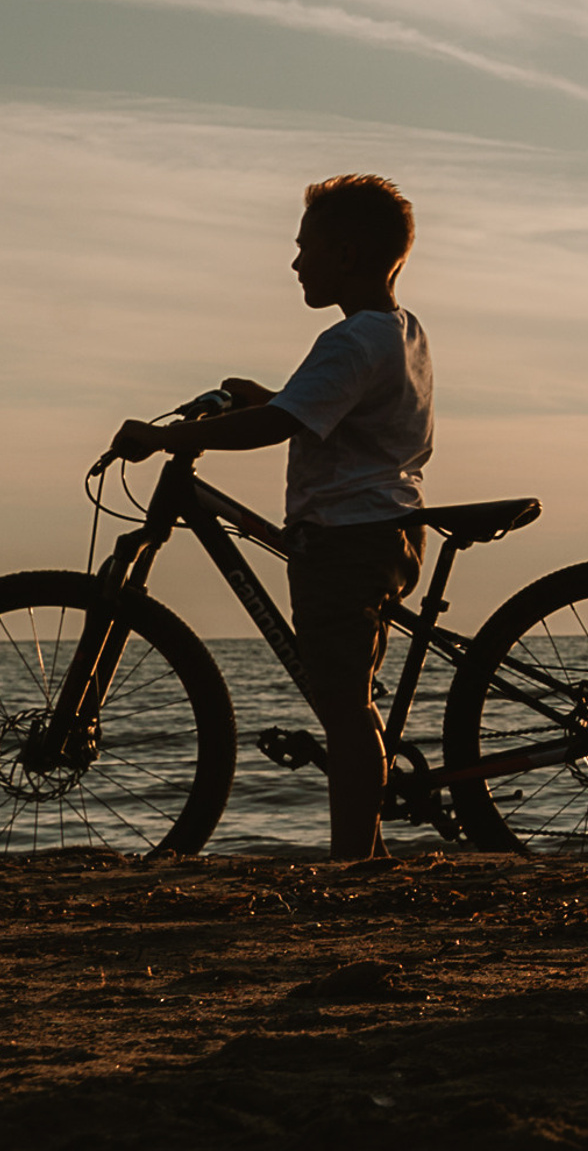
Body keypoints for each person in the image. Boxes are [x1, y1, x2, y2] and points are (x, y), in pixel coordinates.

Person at [114, 174, 434, 862]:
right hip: (390, 529)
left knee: (343, 708)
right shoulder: (399, 331)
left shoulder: (349, 340)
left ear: (345, 255)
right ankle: (367, 852)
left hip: (345, 539)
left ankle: (354, 864)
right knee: (349, 698)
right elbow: (331, 409)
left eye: (304, 247)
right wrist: (267, 396)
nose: (294, 263)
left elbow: (280, 425)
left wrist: (169, 437)